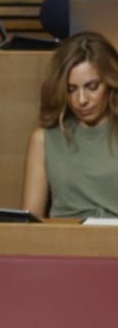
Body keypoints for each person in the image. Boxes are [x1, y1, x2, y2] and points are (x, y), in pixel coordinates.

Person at [22, 32, 118, 220]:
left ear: (110, 83)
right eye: (71, 89)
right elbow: (30, 224)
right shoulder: (43, 139)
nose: (81, 100)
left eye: (92, 87)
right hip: (64, 243)